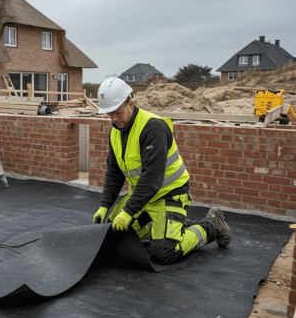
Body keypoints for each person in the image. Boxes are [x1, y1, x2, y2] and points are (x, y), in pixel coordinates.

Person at [92, 77, 232, 265]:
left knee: (164, 252)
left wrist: (128, 211)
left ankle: (211, 225)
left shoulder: (153, 128)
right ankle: (169, 227)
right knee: (114, 235)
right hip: (143, 197)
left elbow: (152, 179)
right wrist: (104, 205)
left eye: (117, 113)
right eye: (109, 115)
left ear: (130, 103)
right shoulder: (116, 130)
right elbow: (114, 172)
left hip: (169, 195)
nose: (114, 119)